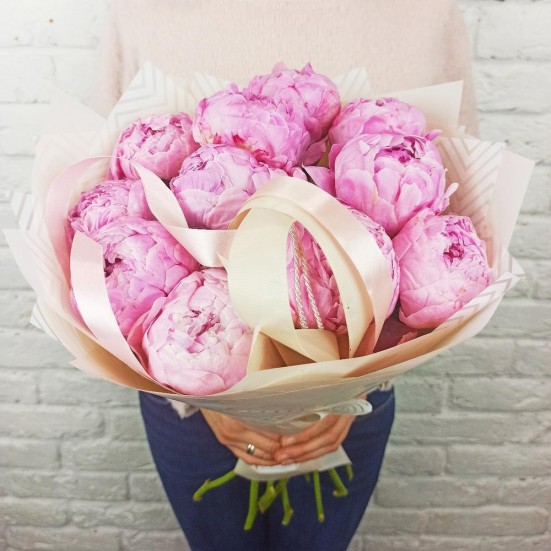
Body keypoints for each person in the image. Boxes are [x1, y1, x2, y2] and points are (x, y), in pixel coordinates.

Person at [92, 1, 477, 549]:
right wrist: (205, 396)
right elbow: (101, 198)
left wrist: (351, 391)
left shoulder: (427, 15)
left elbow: (457, 201)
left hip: (351, 404)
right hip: (188, 406)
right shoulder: (143, 14)